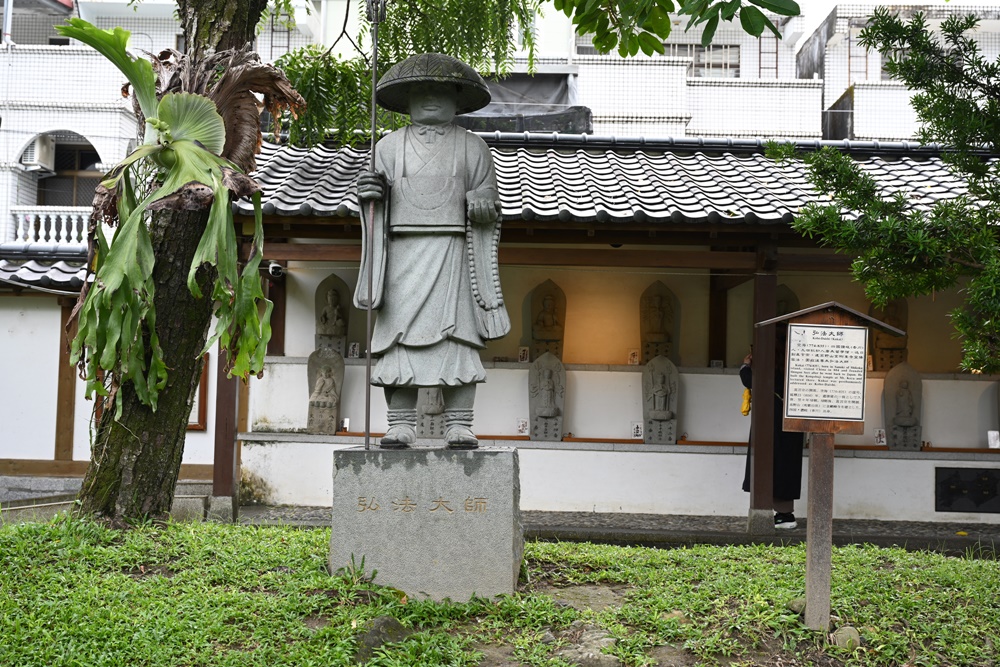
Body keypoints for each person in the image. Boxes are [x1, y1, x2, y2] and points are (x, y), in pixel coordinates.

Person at [354, 53, 509, 449]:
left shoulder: (473, 148)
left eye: (441, 91)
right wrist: (370, 196)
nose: (430, 98)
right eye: (421, 91)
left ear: (458, 100)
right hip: (402, 253)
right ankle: (400, 422)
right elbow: (374, 199)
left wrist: (483, 205)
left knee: (457, 338)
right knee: (397, 340)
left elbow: (488, 196)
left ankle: (460, 422)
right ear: (405, 101)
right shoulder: (387, 147)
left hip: (453, 251)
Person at [740, 339, 804, 530]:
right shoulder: (793, 367)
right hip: (791, 424)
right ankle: (784, 514)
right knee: (786, 467)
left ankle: (785, 515)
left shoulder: (770, 369)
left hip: (771, 423)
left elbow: (750, 380)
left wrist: (745, 365)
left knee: (772, 465)